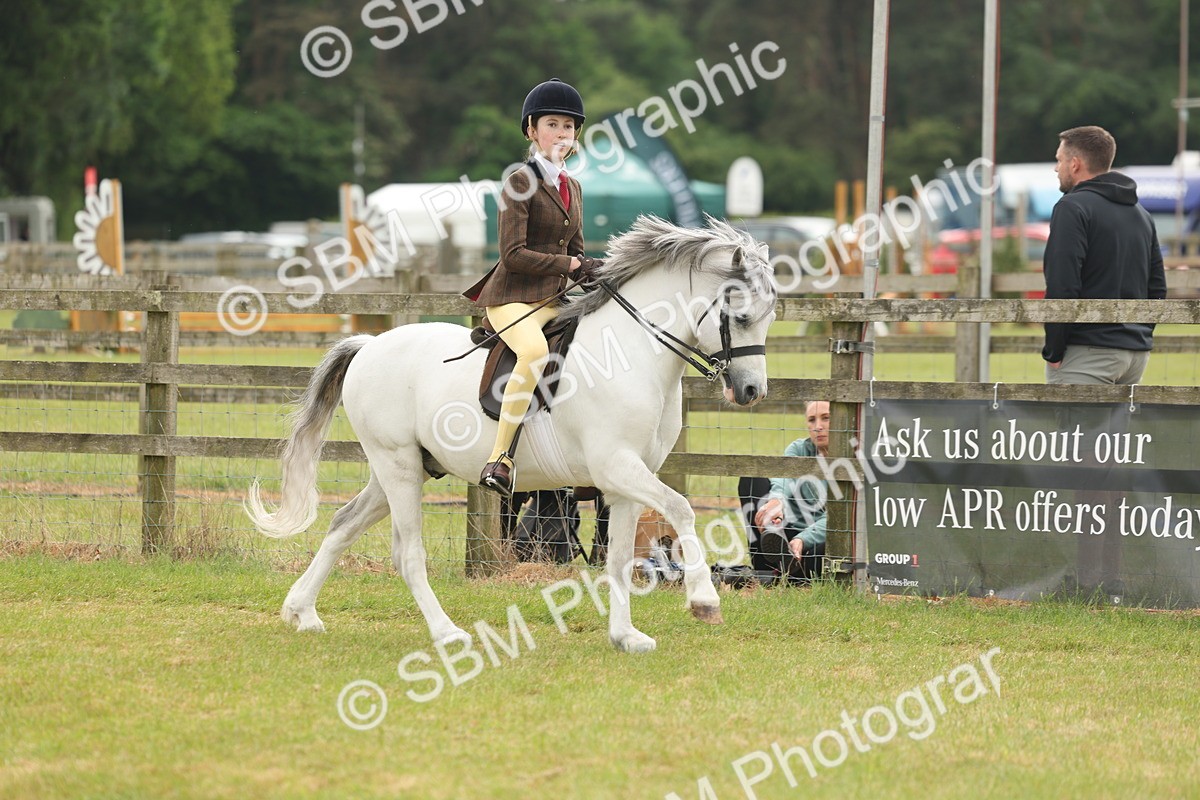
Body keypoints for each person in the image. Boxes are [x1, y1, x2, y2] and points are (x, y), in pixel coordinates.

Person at [463, 78, 601, 496]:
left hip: (553, 299)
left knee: (595, 345)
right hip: (511, 298)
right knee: (536, 352)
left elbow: (575, 251)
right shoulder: (518, 182)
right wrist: (570, 263)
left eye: (568, 127)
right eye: (553, 125)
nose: (562, 134)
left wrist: (594, 270)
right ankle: (500, 458)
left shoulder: (572, 187)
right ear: (532, 130)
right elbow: (513, 254)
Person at [1043, 125, 1167, 385]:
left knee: (1073, 427)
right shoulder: (1142, 215)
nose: (1056, 168)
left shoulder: (1071, 208)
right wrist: (1139, 334)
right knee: (1117, 429)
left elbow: (1063, 284)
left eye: (1059, 160)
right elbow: (1157, 287)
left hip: (1087, 352)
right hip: (1135, 353)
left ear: (1075, 164)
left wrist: (1053, 349)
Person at [750, 400, 830, 583]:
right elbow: (783, 479)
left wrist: (803, 539)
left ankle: (793, 571)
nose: (818, 426)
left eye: (826, 418)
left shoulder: (853, 461)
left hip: (815, 542)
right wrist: (777, 502)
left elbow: (840, 519)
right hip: (786, 532)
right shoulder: (798, 449)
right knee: (753, 480)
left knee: (828, 546)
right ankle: (765, 566)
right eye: (811, 420)